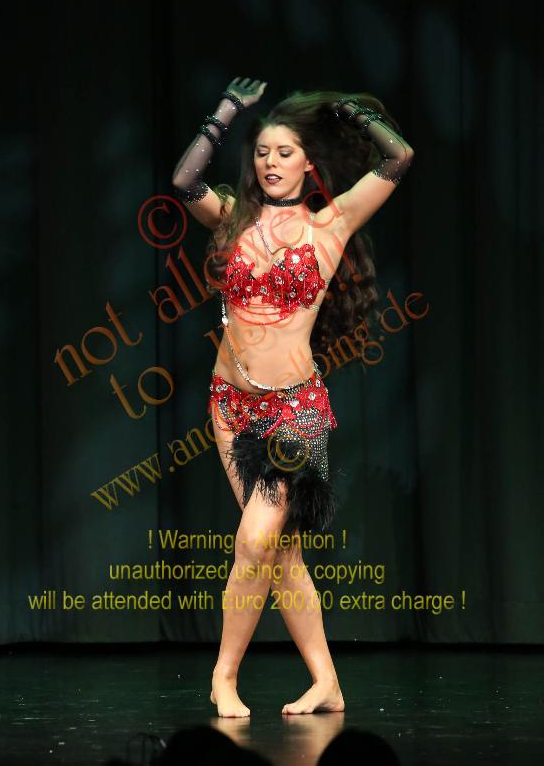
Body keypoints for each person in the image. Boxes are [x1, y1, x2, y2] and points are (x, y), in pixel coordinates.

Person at [171, 76, 414, 717]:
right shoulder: (232, 218)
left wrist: (353, 113)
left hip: (294, 410)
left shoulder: (331, 222)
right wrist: (226, 112)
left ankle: (223, 676)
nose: (271, 163)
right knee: (280, 554)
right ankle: (328, 682)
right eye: (262, 153)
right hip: (230, 407)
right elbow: (185, 181)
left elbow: (399, 157)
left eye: (285, 152)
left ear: (308, 163)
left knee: (256, 542)